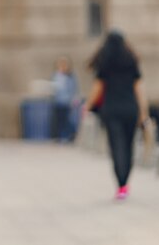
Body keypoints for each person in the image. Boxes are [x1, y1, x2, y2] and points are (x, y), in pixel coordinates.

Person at [82, 30, 149, 200]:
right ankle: (125, 182)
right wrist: (143, 112)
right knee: (128, 146)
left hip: (111, 110)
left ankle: (121, 185)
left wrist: (87, 106)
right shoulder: (131, 62)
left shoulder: (105, 64)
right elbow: (139, 90)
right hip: (130, 109)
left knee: (116, 146)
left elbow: (97, 89)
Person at [50, 56, 78, 142]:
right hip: (57, 101)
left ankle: (69, 136)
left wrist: (73, 99)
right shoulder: (56, 75)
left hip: (67, 101)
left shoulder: (70, 77)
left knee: (67, 120)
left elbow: (73, 89)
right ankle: (58, 136)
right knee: (58, 120)